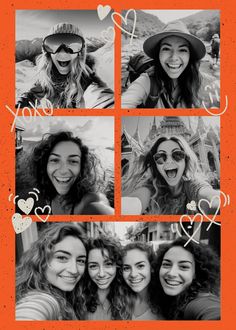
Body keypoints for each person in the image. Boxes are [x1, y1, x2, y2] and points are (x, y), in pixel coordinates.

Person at [16, 22, 114, 108]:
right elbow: (31, 95)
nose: (62, 52)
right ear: (47, 52)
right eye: (54, 45)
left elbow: (100, 96)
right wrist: (19, 105)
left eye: (72, 46)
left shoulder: (86, 79)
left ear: (80, 52)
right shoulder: (46, 78)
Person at [122, 20, 215, 108]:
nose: (174, 58)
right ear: (158, 53)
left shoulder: (204, 82)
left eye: (182, 50)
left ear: (190, 55)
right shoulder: (147, 81)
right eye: (166, 49)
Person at [18, 131, 114, 215]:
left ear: (82, 167)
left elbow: (101, 209)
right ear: (44, 165)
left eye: (73, 161)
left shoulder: (92, 204)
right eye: (55, 160)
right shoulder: (50, 194)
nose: (63, 171)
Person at [122, 134, 220, 215]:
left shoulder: (192, 186)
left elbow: (212, 198)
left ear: (185, 160)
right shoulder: (151, 189)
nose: (169, 161)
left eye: (177, 155)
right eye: (160, 157)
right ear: (155, 164)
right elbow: (135, 202)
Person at [16, 223, 87, 320]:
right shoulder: (43, 300)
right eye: (62, 257)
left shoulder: (70, 296)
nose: (74, 270)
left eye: (80, 261)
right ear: (41, 260)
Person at [155, 236, 220, 320]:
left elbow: (212, 311)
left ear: (196, 273)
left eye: (184, 267)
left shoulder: (199, 300)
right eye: (166, 264)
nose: (171, 273)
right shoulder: (165, 296)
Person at [82, 236, 129, 320]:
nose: (101, 274)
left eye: (108, 264)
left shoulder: (129, 296)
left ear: (117, 265)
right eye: (93, 266)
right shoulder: (78, 298)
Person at [122, 242, 163, 320]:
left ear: (152, 267)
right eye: (126, 268)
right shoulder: (118, 299)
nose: (133, 274)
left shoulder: (166, 302)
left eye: (140, 266)